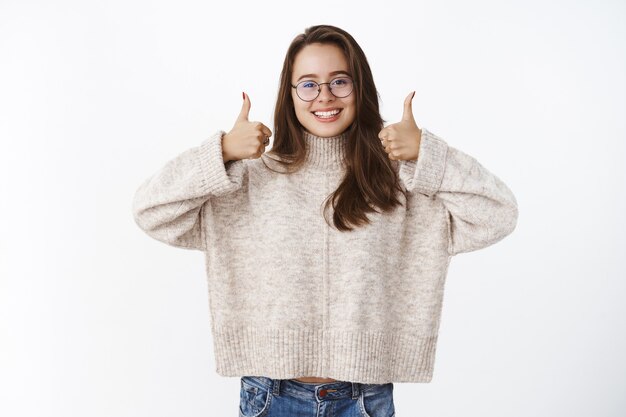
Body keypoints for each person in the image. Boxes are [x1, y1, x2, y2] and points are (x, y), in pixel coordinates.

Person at [132, 24, 518, 417]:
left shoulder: (401, 177)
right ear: (291, 93)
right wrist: (221, 153)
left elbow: (498, 214)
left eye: (339, 81)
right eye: (308, 84)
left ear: (360, 87)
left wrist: (429, 156)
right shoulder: (249, 177)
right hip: (269, 395)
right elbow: (151, 211)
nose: (325, 97)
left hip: (364, 397)